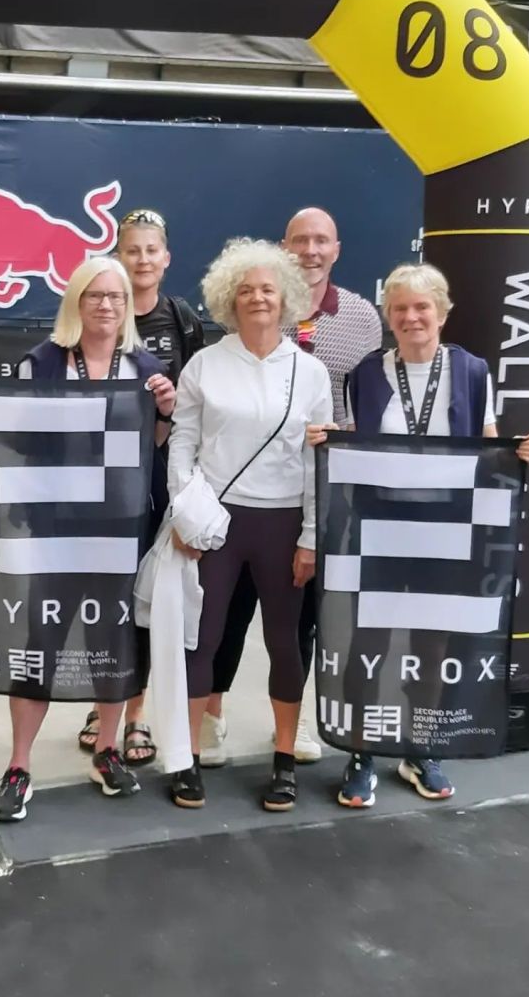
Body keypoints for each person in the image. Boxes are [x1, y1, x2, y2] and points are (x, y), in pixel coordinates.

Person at [0, 256, 176, 821]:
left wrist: (167, 411)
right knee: (39, 642)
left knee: (114, 642)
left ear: (128, 306)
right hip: (53, 532)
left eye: (116, 297)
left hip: (120, 532)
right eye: (95, 295)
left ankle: (107, 751)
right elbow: (16, 435)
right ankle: (19, 766)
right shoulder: (42, 362)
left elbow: (155, 447)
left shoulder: (146, 369)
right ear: (76, 301)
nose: (106, 305)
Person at [307, 262, 529, 808]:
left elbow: (487, 444)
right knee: (368, 642)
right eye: (400, 308)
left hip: (447, 532)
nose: (411, 317)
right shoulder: (365, 374)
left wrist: (517, 452)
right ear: (388, 316)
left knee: (432, 645)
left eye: (421, 307)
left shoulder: (473, 371)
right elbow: (355, 442)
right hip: (378, 530)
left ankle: (421, 746)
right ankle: (362, 750)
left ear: (442, 312)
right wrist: (329, 438)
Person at [203, 208, 382, 767]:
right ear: (284, 247)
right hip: (245, 494)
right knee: (229, 613)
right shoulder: (257, 306)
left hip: (319, 490)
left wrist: (347, 439)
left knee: (298, 621)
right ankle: (211, 713)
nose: (311, 249)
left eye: (321, 240)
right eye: (300, 240)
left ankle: (294, 718)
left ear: (337, 249)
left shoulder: (362, 317)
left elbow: (368, 400)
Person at [167, 238, 336, 812]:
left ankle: (284, 759)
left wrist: (311, 536)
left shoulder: (310, 372)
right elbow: (183, 443)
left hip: (283, 522)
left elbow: (316, 461)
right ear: (228, 300)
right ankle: (188, 757)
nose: (258, 298)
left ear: (285, 297)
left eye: (267, 289)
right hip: (217, 522)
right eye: (245, 290)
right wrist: (185, 511)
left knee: (285, 642)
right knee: (203, 639)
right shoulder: (205, 364)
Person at [75, 208, 206, 767]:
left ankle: (136, 714)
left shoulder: (182, 321)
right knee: (99, 601)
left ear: (166, 257)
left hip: (155, 482)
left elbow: (195, 402)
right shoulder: (94, 317)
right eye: (132, 250)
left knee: (145, 601)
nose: (143, 259)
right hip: (92, 491)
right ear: (118, 256)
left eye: (152, 249)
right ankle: (100, 702)